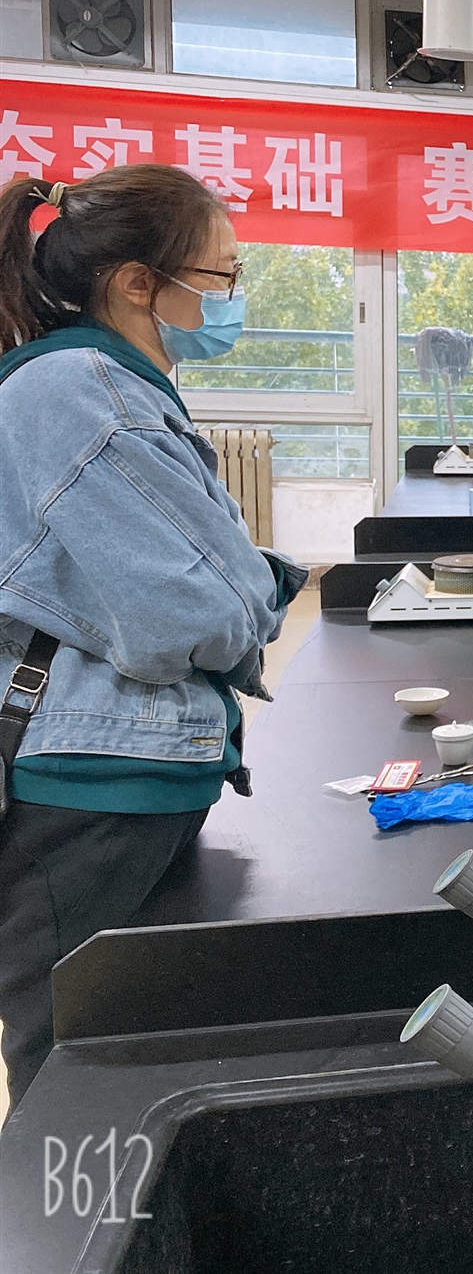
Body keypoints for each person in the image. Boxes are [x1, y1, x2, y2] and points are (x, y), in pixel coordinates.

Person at [0, 166, 303, 1117]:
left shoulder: (109, 386)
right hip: (81, 789)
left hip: (113, 773)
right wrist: (252, 591)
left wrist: (243, 584)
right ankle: (66, 1200)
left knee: (129, 1033)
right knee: (75, 1061)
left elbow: (207, 576)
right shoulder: (83, 395)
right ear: (139, 282)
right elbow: (192, 615)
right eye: (221, 277)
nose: (231, 298)